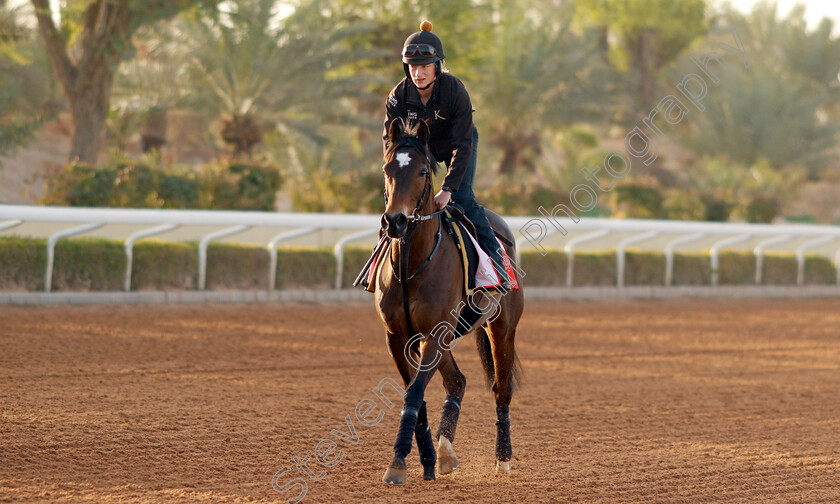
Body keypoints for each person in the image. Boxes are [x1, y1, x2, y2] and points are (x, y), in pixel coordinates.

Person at [382, 20, 512, 291]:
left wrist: (448, 189)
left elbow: (463, 145)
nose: (418, 73)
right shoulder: (398, 96)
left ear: (437, 66)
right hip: (421, 149)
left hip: (458, 143)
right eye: (413, 67)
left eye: (425, 66)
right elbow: (389, 142)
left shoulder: (455, 91)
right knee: (395, 206)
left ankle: (498, 265)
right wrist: (396, 177)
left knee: (463, 198)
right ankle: (377, 267)